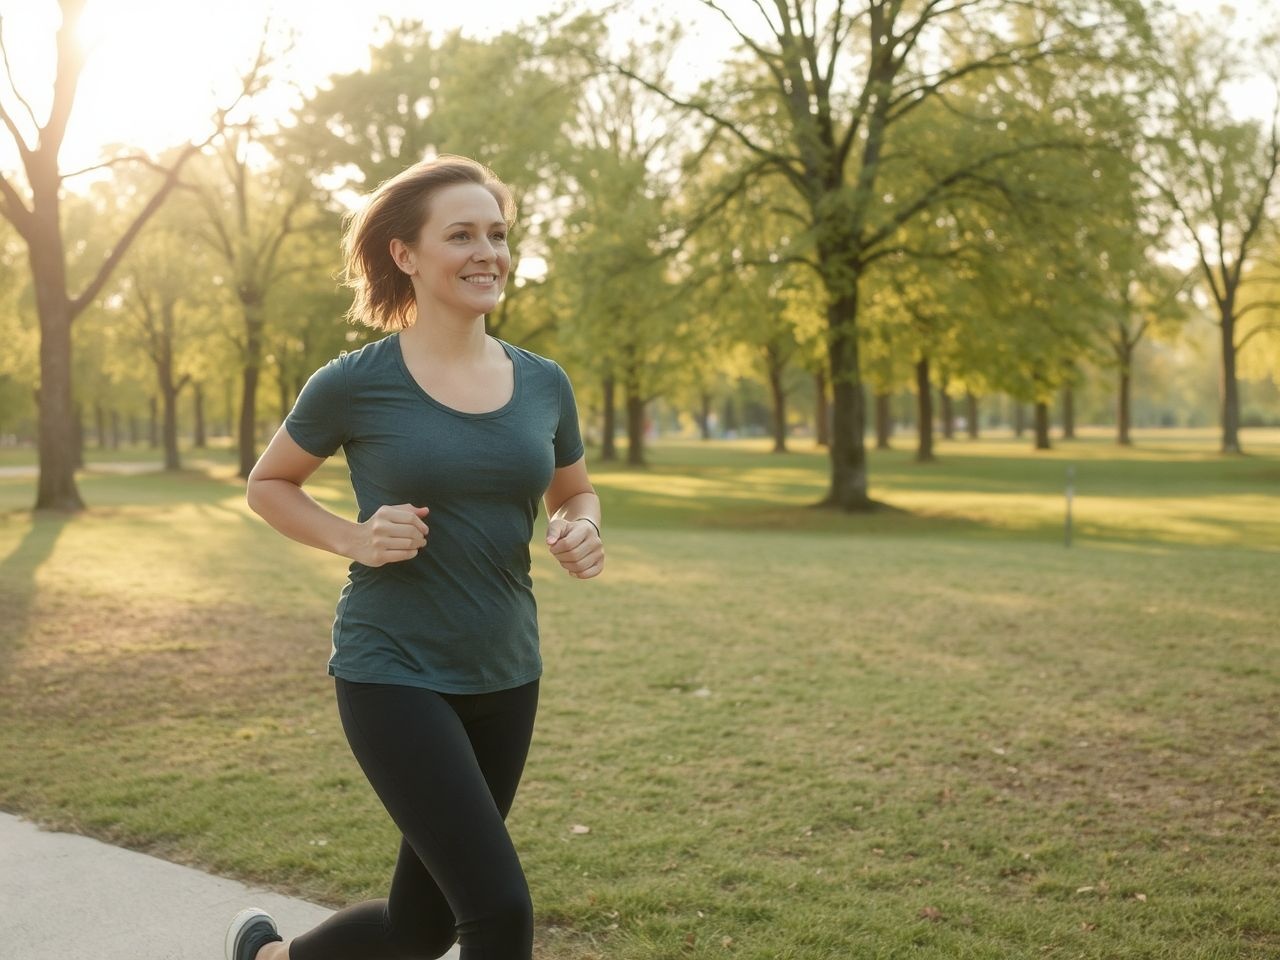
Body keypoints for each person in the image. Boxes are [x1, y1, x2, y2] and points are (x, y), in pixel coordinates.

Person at [226, 155, 604, 960]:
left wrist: (579, 526)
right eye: (461, 234)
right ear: (406, 255)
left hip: (507, 671)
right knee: (498, 912)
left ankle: (268, 959)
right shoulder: (355, 383)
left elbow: (575, 491)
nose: (487, 253)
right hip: (392, 669)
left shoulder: (544, 383)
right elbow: (269, 484)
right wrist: (352, 537)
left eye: (497, 235)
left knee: (420, 926)